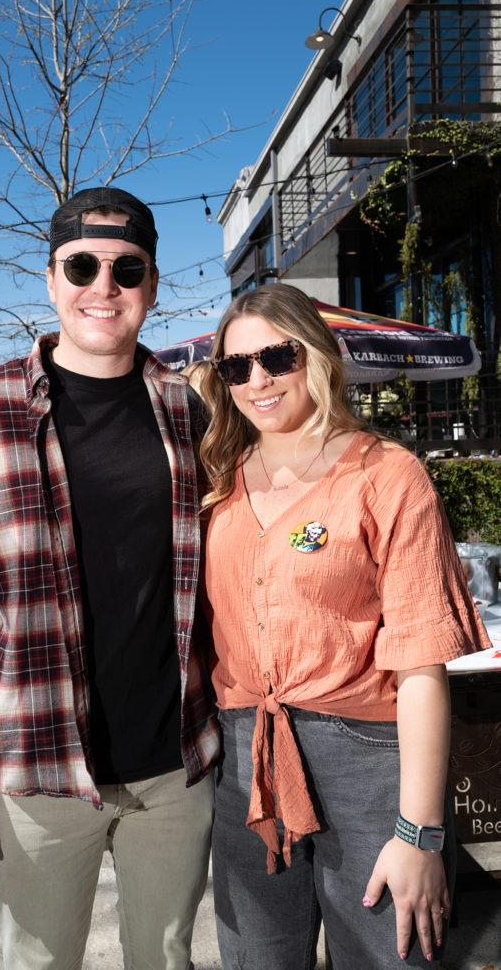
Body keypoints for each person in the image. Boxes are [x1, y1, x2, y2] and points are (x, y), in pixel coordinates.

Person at [0, 186, 219, 970]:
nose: (102, 288)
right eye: (81, 266)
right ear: (50, 279)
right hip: (37, 766)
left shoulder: (194, 414)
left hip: (175, 765)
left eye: (126, 269)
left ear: (151, 283)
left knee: (168, 960)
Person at [198, 284, 490, 970]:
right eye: (236, 367)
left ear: (320, 356)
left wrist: (418, 835)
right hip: (247, 765)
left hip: (368, 766)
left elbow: (421, 664)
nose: (257, 380)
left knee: (389, 956)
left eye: (277, 356)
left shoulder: (387, 476)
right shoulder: (218, 481)